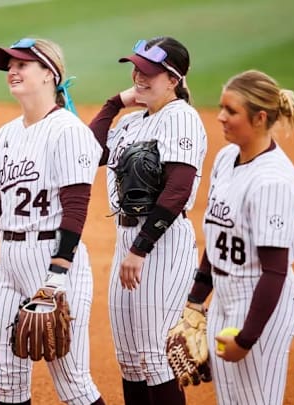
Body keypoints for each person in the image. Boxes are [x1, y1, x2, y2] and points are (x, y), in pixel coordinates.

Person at [0, 37, 105, 405]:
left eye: (22, 64)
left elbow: (76, 206)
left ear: (50, 75)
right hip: (10, 268)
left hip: (52, 263)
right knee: (7, 380)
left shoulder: (68, 131)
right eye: (10, 65)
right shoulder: (6, 134)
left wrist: (57, 274)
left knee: (73, 383)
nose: (13, 71)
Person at [88, 37, 207, 405]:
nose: (139, 76)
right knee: (130, 362)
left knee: (156, 357)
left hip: (161, 244)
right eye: (136, 68)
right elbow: (88, 152)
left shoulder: (182, 118)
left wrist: (141, 248)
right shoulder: (131, 122)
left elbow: (178, 190)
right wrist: (113, 103)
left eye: (149, 72)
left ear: (173, 79)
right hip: (128, 242)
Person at [185, 69, 294, 404]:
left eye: (231, 111)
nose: (221, 118)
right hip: (225, 297)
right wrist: (195, 300)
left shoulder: (274, 182)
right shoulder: (227, 158)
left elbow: (275, 271)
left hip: (260, 304)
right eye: (221, 108)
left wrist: (247, 339)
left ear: (259, 118)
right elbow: (217, 238)